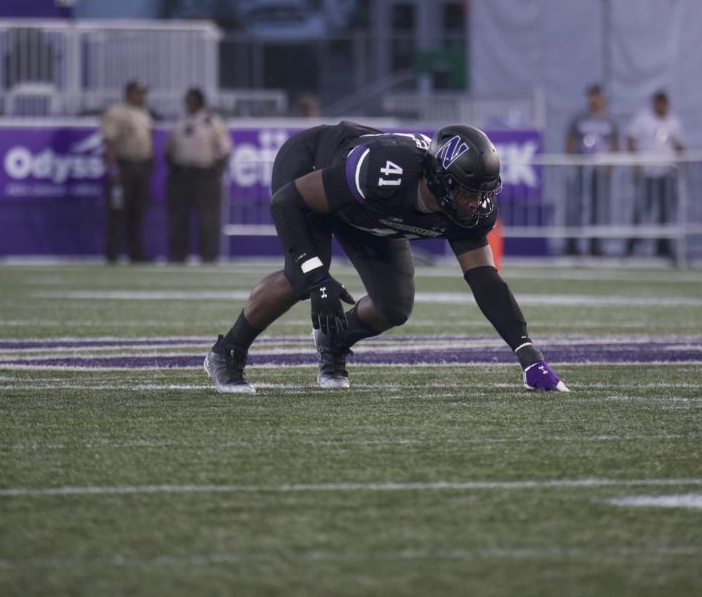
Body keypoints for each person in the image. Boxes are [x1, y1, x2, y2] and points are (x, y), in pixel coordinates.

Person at [202, 122, 569, 394]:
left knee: (394, 306)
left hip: (370, 212)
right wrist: (317, 279)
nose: (477, 202)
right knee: (302, 277)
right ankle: (228, 351)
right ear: (440, 180)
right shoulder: (384, 171)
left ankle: (335, 341)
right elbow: (287, 201)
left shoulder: (473, 209)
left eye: (483, 192)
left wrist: (528, 354)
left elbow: (486, 281)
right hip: (312, 169)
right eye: (468, 192)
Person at [165, 88, 233, 263]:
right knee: (179, 217)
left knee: (207, 217)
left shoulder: (212, 121)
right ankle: (179, 255)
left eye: (192, 100)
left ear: (200, 102)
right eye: (188, 100)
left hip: (205, 174)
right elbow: (169, 149)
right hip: (181, 174)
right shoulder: (180, 122)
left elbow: (225, 148)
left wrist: (218, 168)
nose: (189, 104)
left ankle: (209, 255)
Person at [100, 80, 155, 264]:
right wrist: (114, 169)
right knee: (117, 212)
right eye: (138, 93)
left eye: (143, 93)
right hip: (124, 168)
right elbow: (109, 142)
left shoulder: (144, 114)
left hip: (141, 167)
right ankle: (112, 253)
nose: (142, 97)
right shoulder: (117, 112)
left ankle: (136, 253)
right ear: (129, 93)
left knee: (138, 213)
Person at [626, 90, 684, 258]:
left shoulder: (673, 121)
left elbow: (678, 144)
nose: (661, 107)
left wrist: (683, 160)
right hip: (647, 172)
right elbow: (631, 139)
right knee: (641, 209)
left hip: (666, 173)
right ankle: (631, 245)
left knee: (665, 212)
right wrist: (635, 162)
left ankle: (663, 246)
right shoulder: (643, 119)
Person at [564, 84, 617, 256]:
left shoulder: (609, 120)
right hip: (582, 169)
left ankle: (597, 245)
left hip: (600, 171)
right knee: (578, 206)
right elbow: (570, 140)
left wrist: (611, 165)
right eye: (591, 96)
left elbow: (615, 144)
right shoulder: (579, 119)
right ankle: (573, 245)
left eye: (597, 96)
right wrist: (574, 161)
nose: (594, 100)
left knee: (599, 207)